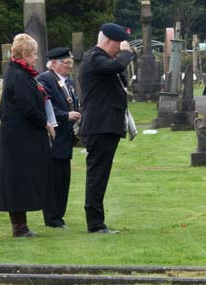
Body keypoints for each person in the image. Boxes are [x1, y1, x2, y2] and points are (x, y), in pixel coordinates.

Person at [0, 33, 55, 237]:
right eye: (33, 54)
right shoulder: (18, 75)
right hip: (18, 138)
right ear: (24, 53)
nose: (36, 58)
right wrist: (46, 124)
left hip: (22, 136)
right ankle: (19, 227)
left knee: (22, 178)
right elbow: (27, 106)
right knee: (18, 179)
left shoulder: (20, 73)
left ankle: (21, 226)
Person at [79, 23, 134, 234]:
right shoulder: (94, 57)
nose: (120, 48)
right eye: (118, 44)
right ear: (107, 41)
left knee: (101, 175)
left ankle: (96, 222)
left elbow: (120, 78)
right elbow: (115, 68)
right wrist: (126, 54)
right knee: (97, 176)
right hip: (99, 127)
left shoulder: (104, 58)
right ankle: (95, 224)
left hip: (106, 126)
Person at [37, 47, 81, 229]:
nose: (70, 66)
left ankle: (59, 216)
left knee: (64, 180)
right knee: (54, 180)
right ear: (54, 63)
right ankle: (52, 218)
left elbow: (73, 102)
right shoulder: (45, 80)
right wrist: (65, 115)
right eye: (66, 63)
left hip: (66, 138)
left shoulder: (68, 82)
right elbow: (44, 107)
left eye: (71, 63)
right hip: (54, 138)